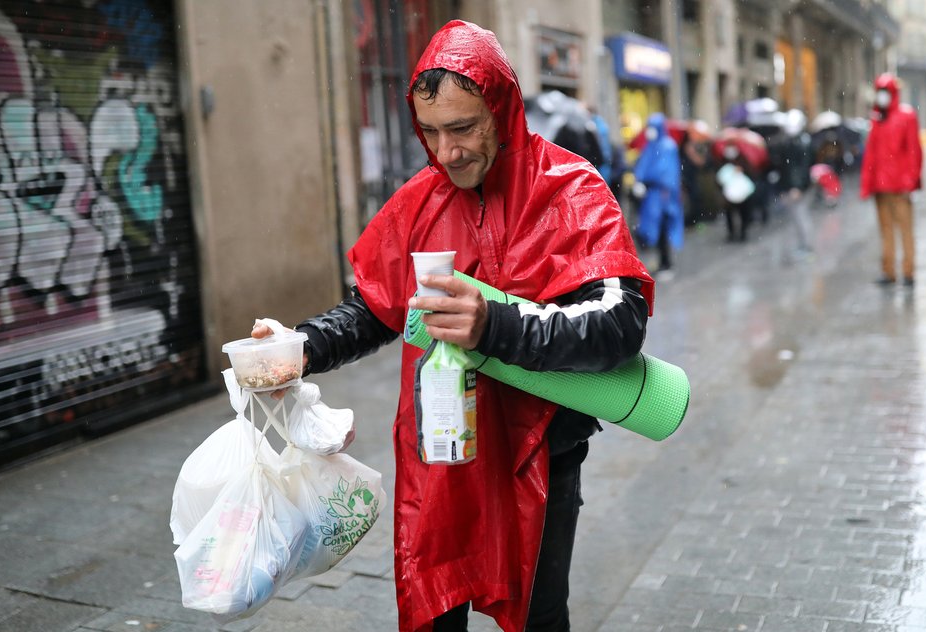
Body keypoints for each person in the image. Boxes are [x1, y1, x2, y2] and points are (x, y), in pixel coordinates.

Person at [253, 20, 653, 632]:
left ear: (502, 110)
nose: (447, 152)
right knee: (434, 606)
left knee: (541, 617)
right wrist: (301, 346)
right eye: (431, 132)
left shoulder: (572, 191)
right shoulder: (418, 201)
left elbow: (620, 322)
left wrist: (499, 325)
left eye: (463, 128)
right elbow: (374, 306)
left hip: (540, 452)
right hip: (442, 456)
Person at [859, 73, 923, 287]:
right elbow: (871, 154)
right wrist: (867, 184)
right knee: (885, 230)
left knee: (905, 230)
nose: (882, 96)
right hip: (881, 187)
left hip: (900, 186)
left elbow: (914, 151)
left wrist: (911, 181)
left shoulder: (906, 116)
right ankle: (888, 271)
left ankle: (908, 272)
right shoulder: (877, 119)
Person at [631, 113, 684, 278]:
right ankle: (662, 262)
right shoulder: (650, 146)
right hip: (651, 196)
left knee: (663, 228)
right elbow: (644, 167)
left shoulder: (668, 146)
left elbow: (668, 173)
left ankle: (666, 263)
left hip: (662, 196)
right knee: (652, 228)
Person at [775, 109, 814, 257]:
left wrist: (797, 187)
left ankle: (806, 247)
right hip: (792, 186)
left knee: (801, 217)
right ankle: (802, 245)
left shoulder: (801, 142)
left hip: (797, 187)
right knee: (797, 217)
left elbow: (801, 167)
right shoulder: (792, 141)